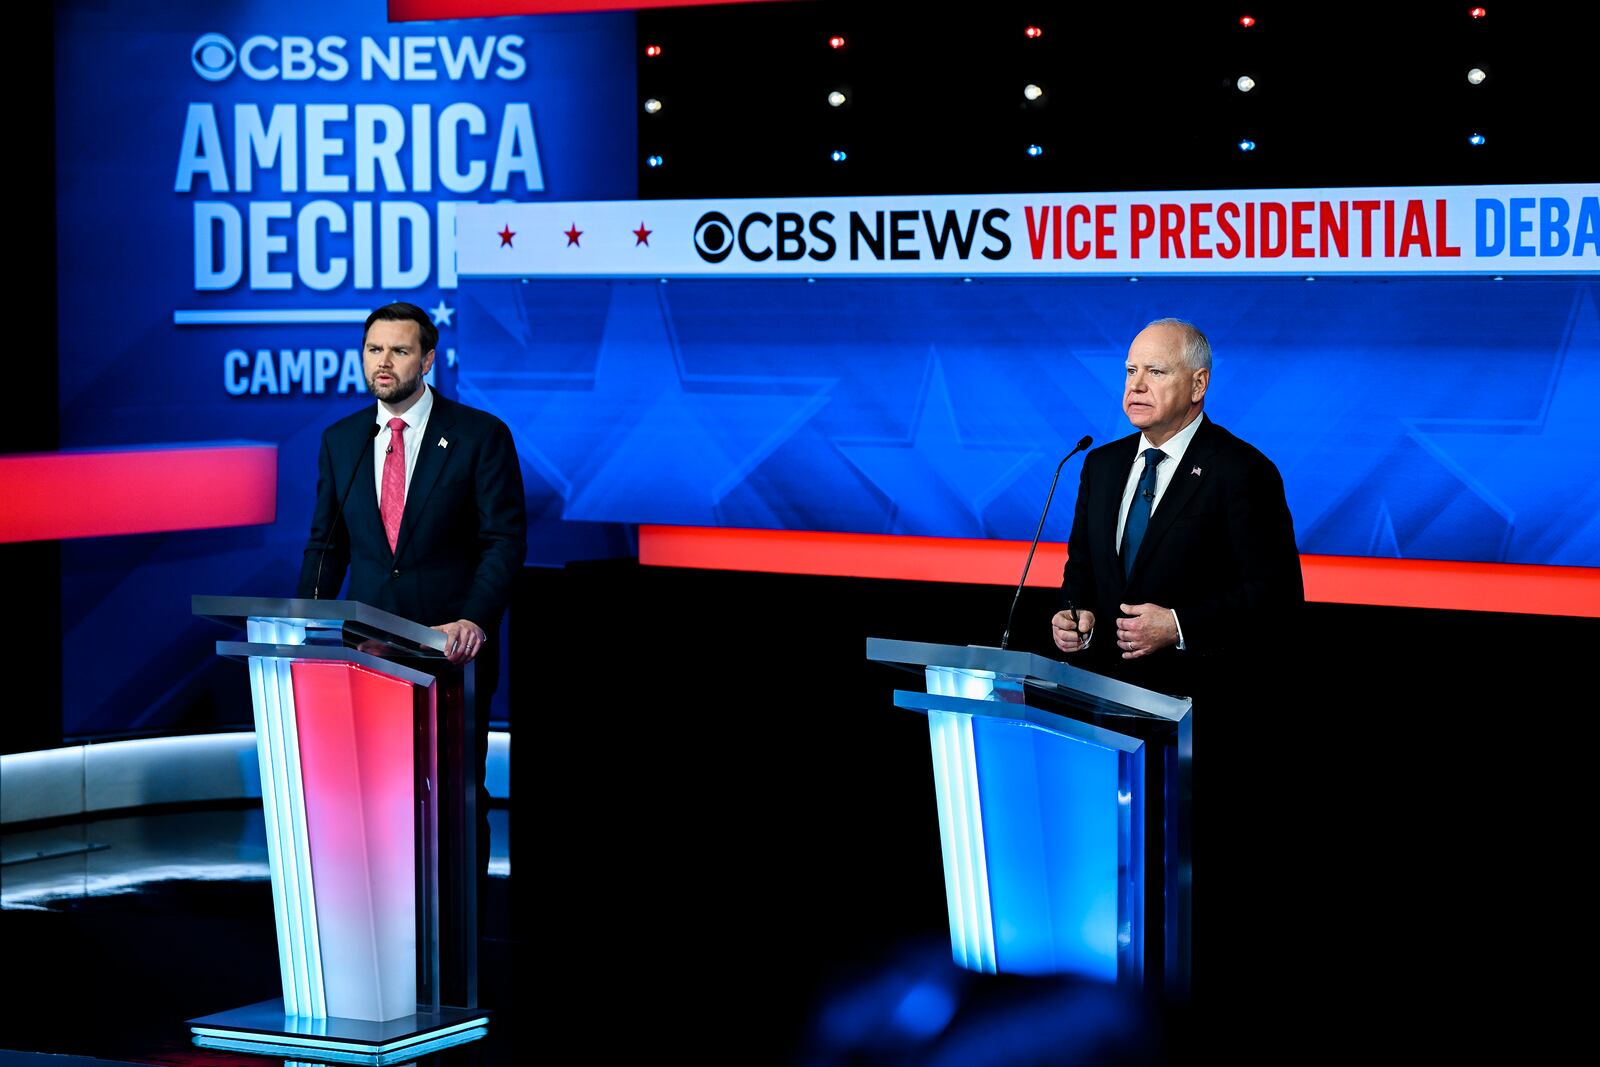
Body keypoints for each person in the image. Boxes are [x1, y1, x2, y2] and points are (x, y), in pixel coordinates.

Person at [297, 301, 526, 934]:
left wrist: (475, 618)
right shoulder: (342, 441)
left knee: (454, 798)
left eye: (399, 351)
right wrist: (304, 626)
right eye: (375, 350)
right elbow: (326, 546)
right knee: (375, 801)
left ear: (428, 360)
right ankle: (384, 927)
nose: (384, 363)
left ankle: (459, 930)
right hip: (366, 652)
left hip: (448, 651)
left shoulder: (479, 435)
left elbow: (503, 541)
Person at [1050, 318, 1303, 699]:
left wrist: (1178, 625)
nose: (1136, 385)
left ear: (1198, 384)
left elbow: (1276, 596)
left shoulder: (1242, 471)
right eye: (1131, 371)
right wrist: (1075, 613)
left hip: (1197, 701)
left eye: (1155, 371)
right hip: (1104, 695)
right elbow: (1083, 565)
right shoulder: (1100, 464)